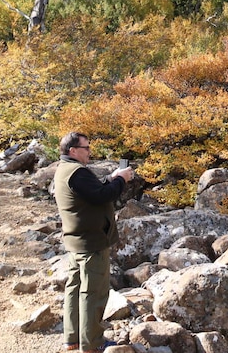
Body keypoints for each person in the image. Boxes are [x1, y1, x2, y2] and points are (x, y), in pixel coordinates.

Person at [53, 132, 134, 353]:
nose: (90, 151)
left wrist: (111, 178)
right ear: (73, 151)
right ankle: (93, 344)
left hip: (77, 241)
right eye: (86, 148)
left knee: (75, 290)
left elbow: (92, 190)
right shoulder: (77, 172)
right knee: (94, 293)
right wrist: (120, 180)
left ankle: (73, 339)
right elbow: (102, 196)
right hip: (91, 242)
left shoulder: (64, 169)